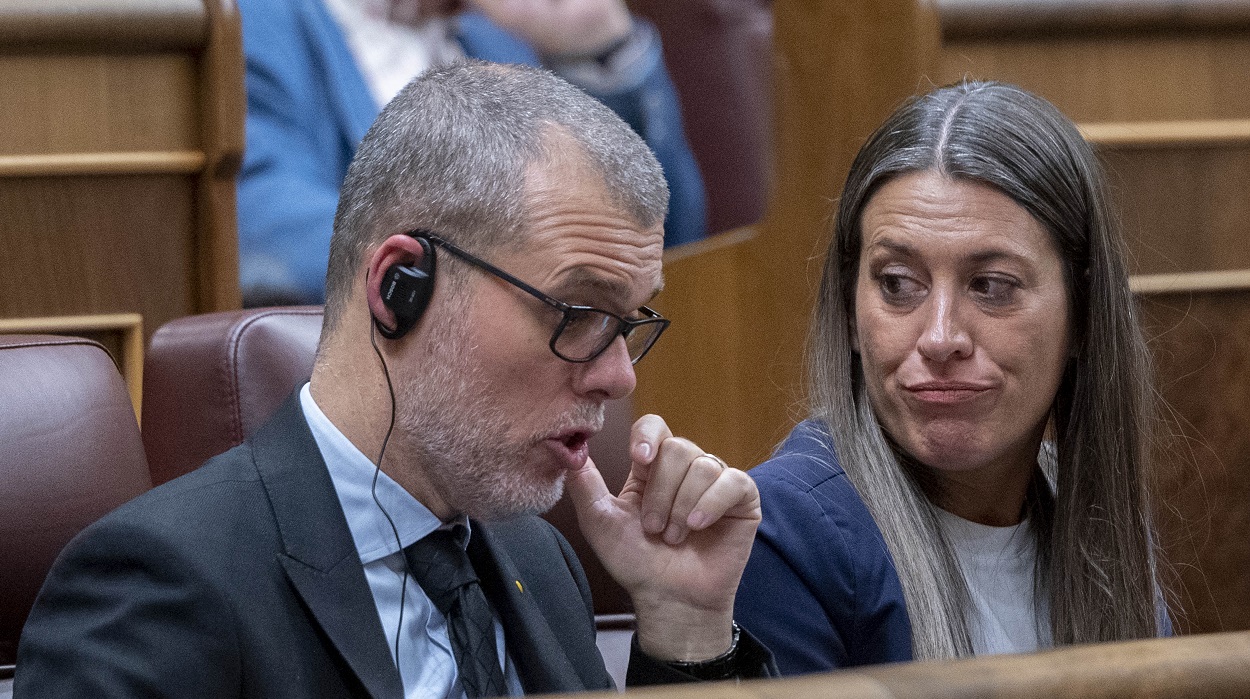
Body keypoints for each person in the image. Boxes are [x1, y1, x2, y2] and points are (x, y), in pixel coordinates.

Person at [16, 62, 773, 696]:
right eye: (578, 311)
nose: (615, 374)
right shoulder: (164, 586)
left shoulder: (541, 565)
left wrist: (684, 626)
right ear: (399, 286)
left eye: (629, 324)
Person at [735, 81, 1172, 674]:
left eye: (992, 286)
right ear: (850, 313)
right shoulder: (782, 537)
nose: (940, 337)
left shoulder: (1095, 519)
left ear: (1085, 317)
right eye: (897, 284)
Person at [238, 0, 707, 306]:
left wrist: (600, 49)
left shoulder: (498, 37)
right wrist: (502, 270)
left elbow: (670, 242)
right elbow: (261, 224)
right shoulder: (251, 21)